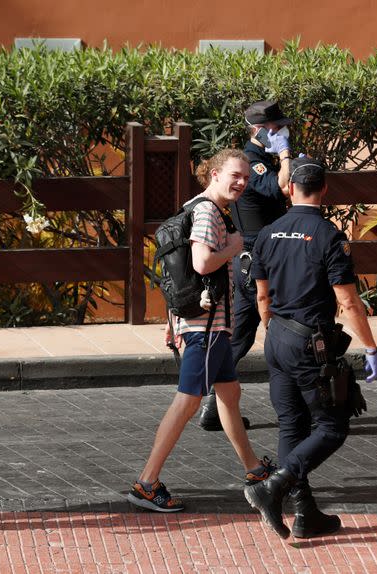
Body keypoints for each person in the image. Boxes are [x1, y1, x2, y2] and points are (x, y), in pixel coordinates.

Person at [127, 149, 274, 512]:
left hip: (208, 324)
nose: (241, 182)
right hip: (206, 327)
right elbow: (201, 261)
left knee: (229, 393)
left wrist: (172, 319)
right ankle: (147, 482)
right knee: (187, 401)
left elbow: (183, 274)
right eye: (234, 176)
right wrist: (235, 246)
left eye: (245, 177)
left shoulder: (196, 206)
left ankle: (254, 469)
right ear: (214, 175)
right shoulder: (208, 210)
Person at [243, 157, 377, 539]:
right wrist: (369, 346)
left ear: (289, 189)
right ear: (324, 190)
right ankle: (272, 486)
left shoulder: (269, 233)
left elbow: (262, 296)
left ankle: (305, 514)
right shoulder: (328, 236)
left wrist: (274, 332)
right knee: (332, 428)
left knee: (292, 424)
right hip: (308, 341)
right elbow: (349, 301)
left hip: (276, 337)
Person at [198, 100, 293, 431]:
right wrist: (285, 155)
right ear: (259, 131)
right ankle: (291, 410)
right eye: (276, 129)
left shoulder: (257, 160)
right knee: (283, 330)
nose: (282, 133)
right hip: (260, 263)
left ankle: (211, 405)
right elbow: (283, 186)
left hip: (253, 262)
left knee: (240, 336)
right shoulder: (254, 163)